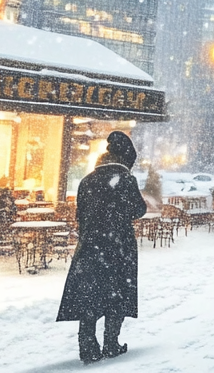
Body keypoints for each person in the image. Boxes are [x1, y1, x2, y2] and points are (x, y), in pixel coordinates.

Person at [57, 131, 148, 363]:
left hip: (90, 246)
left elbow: (81, 213)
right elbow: (138, 210)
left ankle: (87, 344)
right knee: (116, 295)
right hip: (118, 248)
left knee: (90, 295)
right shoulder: (126, 179)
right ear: (126, 158)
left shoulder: (87, 180)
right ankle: (111, 342)